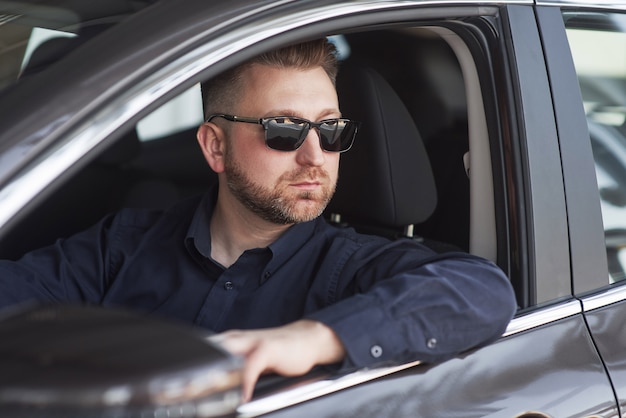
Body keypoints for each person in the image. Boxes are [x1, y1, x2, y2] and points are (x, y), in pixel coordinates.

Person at [0, 38, 516, 402]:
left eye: (331, 131)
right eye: (285, 130)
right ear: (215, 145)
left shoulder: (353, 268)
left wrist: (309, 339)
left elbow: (481, 291)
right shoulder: (124, 245)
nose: (316, 156)